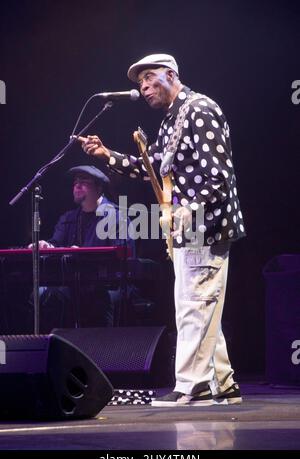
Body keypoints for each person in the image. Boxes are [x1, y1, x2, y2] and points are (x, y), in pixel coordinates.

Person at [78, 53, 245, 406]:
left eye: (150, 77)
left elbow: (218, 173)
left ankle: (193, 385)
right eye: (140, 82)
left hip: (206, 226)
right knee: (199, 304)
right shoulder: (172, 121)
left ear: (171, 75)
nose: (144, 86)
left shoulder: (200, 109)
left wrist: (189, 209)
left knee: (194, 305)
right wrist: (106, 154)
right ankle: (223, 381)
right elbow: (149, 169)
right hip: (187, 228)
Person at [29, 165, 133, 332]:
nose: (77, 185)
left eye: (84, 182)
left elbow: (123, 255)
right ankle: (56, 347)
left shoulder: (116, 216)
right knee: (44, 294)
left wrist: (84, 254)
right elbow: (56, 242)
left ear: (99, 188)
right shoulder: (68, 218)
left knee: (97, 299)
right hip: (75, 284)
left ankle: (100, 352)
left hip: (107, 286)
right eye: (75, 182)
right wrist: (47, 246)